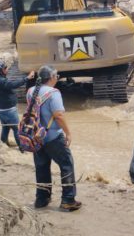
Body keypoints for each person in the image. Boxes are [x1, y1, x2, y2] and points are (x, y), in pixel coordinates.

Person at [27, 65, 81, 211]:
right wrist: (68, 133)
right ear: (51, 77)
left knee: (42, 167)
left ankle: (41, 199)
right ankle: (68, 200)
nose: (57, 78)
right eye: (56, 76)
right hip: (53, 137)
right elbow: (58, 115)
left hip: (36, 137)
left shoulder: (31, 91)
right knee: (66, 165)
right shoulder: (54, 93)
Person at [0, 62, 35, 147]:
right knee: (16, 129)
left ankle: (3, 143)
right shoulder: (1, 81)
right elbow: (14, 84)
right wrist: (27, 78)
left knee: (5, 127)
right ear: (0, 71)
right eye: (5, 68)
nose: (7, 69)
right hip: (8, 110)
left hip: (0, 109)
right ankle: (21, 148)